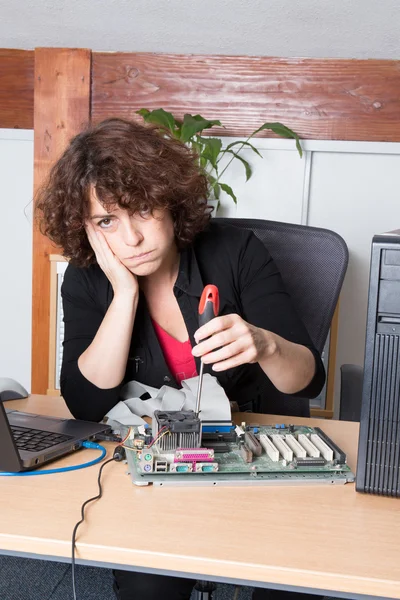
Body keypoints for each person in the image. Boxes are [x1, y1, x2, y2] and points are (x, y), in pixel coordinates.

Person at [37, 117, 325, 600]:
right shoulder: (89, 280)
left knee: (293, 584)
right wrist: (125, 293)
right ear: (86, 228)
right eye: (107, 221)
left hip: (254, 462)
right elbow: (86, 403)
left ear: (171, 202)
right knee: (147, 586)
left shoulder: (237, 253)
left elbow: (307, 381)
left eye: (143, 210)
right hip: (159, 467)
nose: (131, 240)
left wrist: (266, 344)